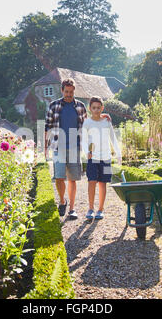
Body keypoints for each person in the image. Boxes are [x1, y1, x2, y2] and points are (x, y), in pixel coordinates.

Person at [44, 79, 111, 220]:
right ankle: (63, 201)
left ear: (74, 91)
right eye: (66, 92)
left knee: (72, 179)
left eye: (71, 92)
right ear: (62, 91)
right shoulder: (53, 106)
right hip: (58, 147)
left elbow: (89, 123)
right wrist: (44, 147)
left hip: (75, 148)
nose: (69, 94)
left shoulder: (80, 107)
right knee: (59, 178)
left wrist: (103, 117)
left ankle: (72, 209)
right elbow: (47, 127)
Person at [81, 96, 121, 220]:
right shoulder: (87, 122)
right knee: (91, 182)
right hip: (93, 158)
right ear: (90, 109)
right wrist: (86, 152)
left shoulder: (106, 121)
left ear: (102, 108)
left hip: (106, 158)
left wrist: (118, 153)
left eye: (99, 108)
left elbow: (113, 138)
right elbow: (84, 140)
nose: (96, 110)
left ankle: (100, 209)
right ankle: (91, 208)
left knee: (103, 183)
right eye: (94, 108)